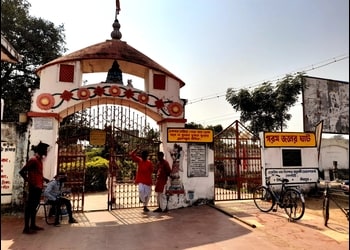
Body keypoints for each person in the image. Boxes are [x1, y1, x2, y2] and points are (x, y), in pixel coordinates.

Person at [19, 141, 50, 234]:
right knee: (29, 207)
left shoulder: (39, 160)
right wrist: (30, 182)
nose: (46, 151)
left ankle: (32, 225)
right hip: (34, 187)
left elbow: (37, 174)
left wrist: (44, 179)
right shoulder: (33, 160)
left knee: (34, 207)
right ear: (41, 150)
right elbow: (22, 172)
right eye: (45, 150)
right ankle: (26, 228)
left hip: (38, 187)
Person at [129, 146, 153, 212]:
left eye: (145, 155)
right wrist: (136, 149)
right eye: (143, 155)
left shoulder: (149, 163)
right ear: (141, 156)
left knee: (147, 194)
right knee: (141, 191)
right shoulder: (139, 160)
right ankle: (142, 200)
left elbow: (151, 171)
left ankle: (145, 206)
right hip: (141, 180)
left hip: (147, 181)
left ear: (147, 156)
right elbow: (131, 154)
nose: (144, 156)